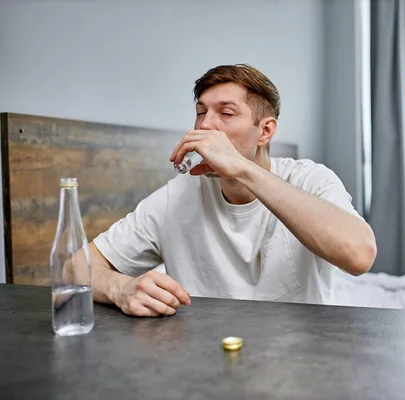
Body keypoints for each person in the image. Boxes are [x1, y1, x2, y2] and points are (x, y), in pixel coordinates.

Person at [90, 64, 377, 316]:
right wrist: (122, 288)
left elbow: (360, 256)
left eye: (226, 113)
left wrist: (242, 169)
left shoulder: (310, 179)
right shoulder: (177, 196)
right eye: (201, 112)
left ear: (265, 131)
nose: (205, 124)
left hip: (298, 362)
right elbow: (74, 268)